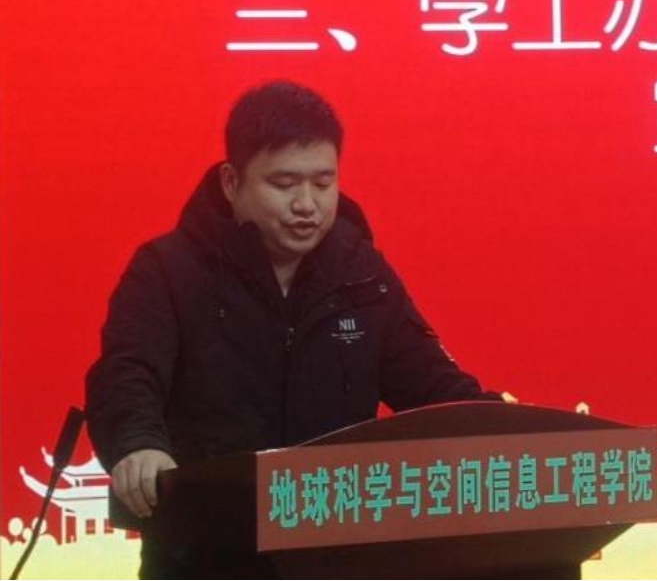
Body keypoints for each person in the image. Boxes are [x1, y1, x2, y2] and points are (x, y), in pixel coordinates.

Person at [85, 81, 502, 577]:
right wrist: (139, 445)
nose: (307, 204)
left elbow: (433, 384)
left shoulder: (361, 273)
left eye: (323, 183)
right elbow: (127, 374)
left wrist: (509, 433)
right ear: (232, 183)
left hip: (337, 546)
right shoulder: (167, 270)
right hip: (205, 549)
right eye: (284, 184)